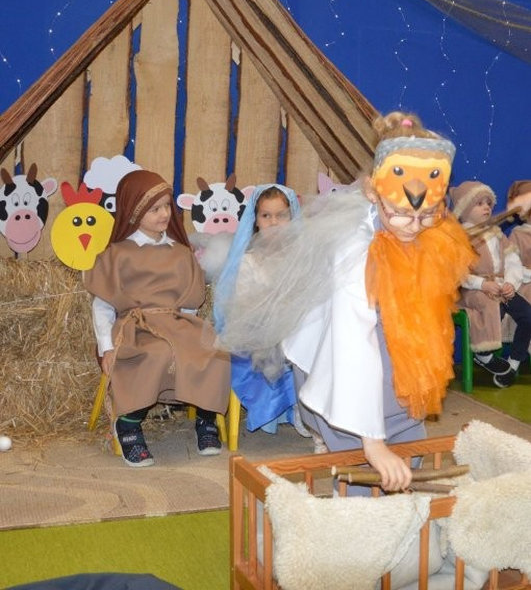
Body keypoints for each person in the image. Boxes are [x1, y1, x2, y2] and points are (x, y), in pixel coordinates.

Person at [218, 112, 475, 491]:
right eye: (401, 213)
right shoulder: (356, 254)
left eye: (426, 215)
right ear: (373, 193)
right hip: (339, 364)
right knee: (364, 475)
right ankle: (355, 501)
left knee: (409, 462)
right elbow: (353, 344)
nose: (413, 225)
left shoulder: (427, 233)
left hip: (394, 358)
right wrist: (372, 443)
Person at [83, 170, 230, 467]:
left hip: (175, 322)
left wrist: (190, 334)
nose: (164, 214)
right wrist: (106, 348)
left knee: (212, 351)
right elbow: (103, 307)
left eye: (167, 206)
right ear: (133, 212)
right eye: (154, 209)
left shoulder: (181, 253)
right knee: (156, 353)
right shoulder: (117, 254)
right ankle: (128, 423)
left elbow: (189, 305)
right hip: (135, 327)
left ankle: (206, 419)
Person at [214, 184, 312, 439]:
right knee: (279, 343)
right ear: (256, 221)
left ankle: (308, 405)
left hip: (294, 326)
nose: (274, 222)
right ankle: (297, 405)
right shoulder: (248, 260)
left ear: (293, 217)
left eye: (281, 215)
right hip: (257, 330)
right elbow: (243, 304)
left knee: (312, 336)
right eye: (266, 216)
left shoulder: (302, 258)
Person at [449, 180, 531, 388]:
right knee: (491, 305)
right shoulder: (459, 238)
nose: (486, 207)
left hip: (501, 286)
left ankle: (514, 362)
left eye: (488, 203)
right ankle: (484, 354)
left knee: (527, 315)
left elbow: (512, 259)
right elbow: (457, 272)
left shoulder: (496, 233)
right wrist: (482, 284)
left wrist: (510, 283)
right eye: (479, 203)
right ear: (464, 208)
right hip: (472, 289)